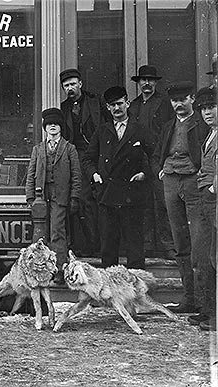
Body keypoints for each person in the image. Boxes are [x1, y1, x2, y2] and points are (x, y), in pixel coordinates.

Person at [152, 81, 210, 314]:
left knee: (199, 242)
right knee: (180, 242)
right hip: (171, 182)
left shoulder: (202, 125)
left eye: (182, 99)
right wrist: (160, 169)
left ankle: (205, 302)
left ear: (192, 99)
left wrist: (199, 172)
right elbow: (158, 153)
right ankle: (188, 298)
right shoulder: (168, 126)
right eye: (174, 101)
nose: (178, 104)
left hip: (193, 182)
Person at [82, 86, 154, 269]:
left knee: (134, 245)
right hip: (107, 194)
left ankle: (136, 289)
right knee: (108, 246)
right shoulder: (102, 130)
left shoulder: (139, 129)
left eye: (120, 103)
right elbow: (87, 159)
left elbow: (155, 155)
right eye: (112, 105)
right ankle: (109, 290)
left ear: (127, 103)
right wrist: (94, 174)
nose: (117, 108)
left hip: (132, 194)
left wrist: (144, 173)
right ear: (107, 107)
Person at [25, 108, 82, 284]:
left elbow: (76, 176)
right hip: (41, 196)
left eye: (56, 124)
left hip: (60, 195)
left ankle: (59, 269)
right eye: (49, 124)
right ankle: (40, 270)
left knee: (57, 231)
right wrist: (30, 198)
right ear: (44, 127)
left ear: (61, 127)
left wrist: (74, 198)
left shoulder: (69, 149)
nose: (52, 127)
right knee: (41, 234)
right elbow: (31, 174)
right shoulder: (38, 149)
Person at [59, 68, 110, 256]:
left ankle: (100, 245)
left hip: (97, 155)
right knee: (81, 200)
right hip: (75, 157)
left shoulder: (96, 102)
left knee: (97, 200)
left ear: (80, 84)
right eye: (66, 86)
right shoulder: (64, 108)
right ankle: (88, 244)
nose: (70, 88)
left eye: (73, 84)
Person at [129, 65, 176, 260]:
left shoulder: (164, 103)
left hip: (159, 159)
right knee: (143, 203)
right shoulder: (134, 106)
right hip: (140, 161)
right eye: (143, 80)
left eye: (150, 80)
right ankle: (147, 245)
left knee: (163, 203)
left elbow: (170, 129)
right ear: (138, 83)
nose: (146, 83)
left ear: (156, 82)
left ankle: (168, 246)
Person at [191, 85, 217, 331]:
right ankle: (209, 310)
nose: (207, 112)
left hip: (214, 198)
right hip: (206, 198)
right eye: (204, 108)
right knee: (205, 256)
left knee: (216, 256)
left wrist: (212, 189)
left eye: (212, 107)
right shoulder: (210, 133)